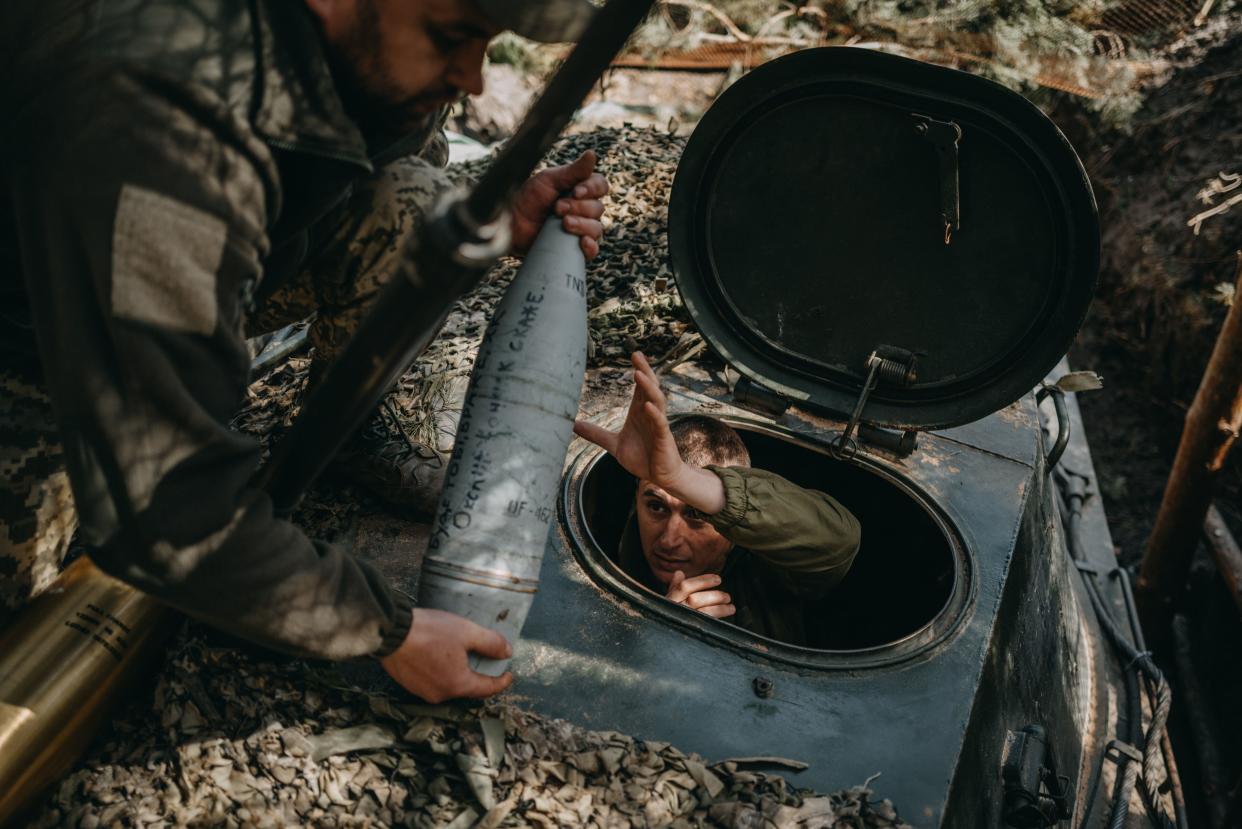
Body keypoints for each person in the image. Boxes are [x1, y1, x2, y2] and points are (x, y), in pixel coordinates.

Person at [0, 0, 608, 703]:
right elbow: (162, 507)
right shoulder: (168, 111)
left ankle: (342, 441)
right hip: (29, 328)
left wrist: (497, 221)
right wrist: (385, 629)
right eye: (451, 38)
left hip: (183, 255)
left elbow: (370, 173)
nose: (473, 78)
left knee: (415, 202)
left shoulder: (353, 51)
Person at [574, 353, 862, 645]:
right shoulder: (607, 540)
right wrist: (662, 633)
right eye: (656, 506)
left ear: (731, 520)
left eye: (697, 514)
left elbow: (839, 541)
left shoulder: (769, 571)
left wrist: (682, 479)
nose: (668, 540)